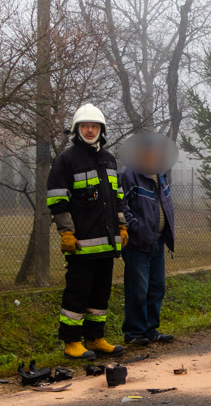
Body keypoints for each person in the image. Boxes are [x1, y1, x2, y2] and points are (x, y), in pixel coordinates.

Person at [46, 103, 126, 359]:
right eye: (85, 126)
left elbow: (117, 198)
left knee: (100, 294)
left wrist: (122, 226)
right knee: (77, 293)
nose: (90, 130)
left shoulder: (109, 159)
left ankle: (95, 338)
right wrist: (66, 233)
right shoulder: (66, 160)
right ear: (76, 129)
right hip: (81, 243)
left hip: (108, 244)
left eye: (94, 126)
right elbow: (58, 200)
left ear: (101, 130)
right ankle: (71, 342)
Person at [118, 133, 177, 345]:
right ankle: (134, 333)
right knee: (138, 289)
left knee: (156, 288)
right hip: (137, 244)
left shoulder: (160, 175)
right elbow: (121, 206)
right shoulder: (128, 174)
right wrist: (136, 228)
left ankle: (151, 329)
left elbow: (165, 204)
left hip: (158, 241)